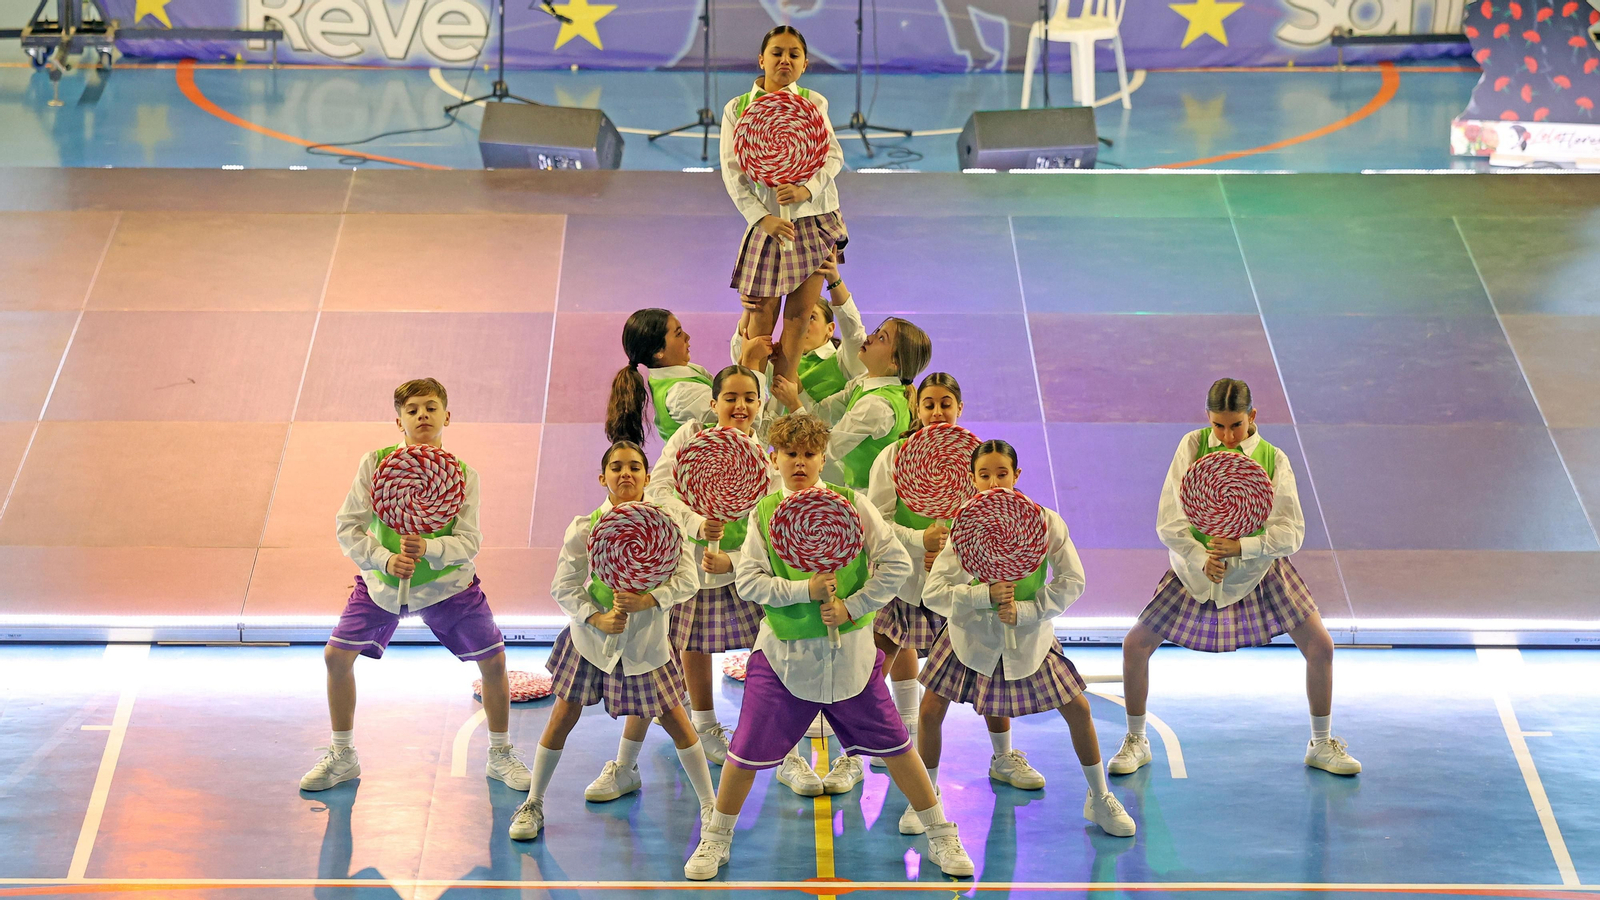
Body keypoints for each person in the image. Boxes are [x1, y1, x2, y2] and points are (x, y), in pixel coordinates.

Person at [684, 413, 974, 881]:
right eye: (790, 454)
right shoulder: (764, 515)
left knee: (899, 747)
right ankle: (715, 840)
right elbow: (750, 580)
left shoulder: (854, 506)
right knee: (743, 752)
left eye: (808, 454)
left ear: (823, 458)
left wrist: (853, 606)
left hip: (853, 659)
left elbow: (896, 565)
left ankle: (941, 835)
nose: (799, 463)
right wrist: (806, 592)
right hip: (781, 657)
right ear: (775, 459)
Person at [1108, 378, 1361, 779]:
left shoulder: (1273, 459)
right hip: (1196, 570)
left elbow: (1291, 532)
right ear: (1208, 419)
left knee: (1321, 646)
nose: (1226, 436)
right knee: (1135, 646)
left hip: (1257, 569)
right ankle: (1136, 739)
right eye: (1218, 426)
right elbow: (1169, 520)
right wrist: (1199, 554)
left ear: (1252, 417)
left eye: (1236, 426)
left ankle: (1321, 742)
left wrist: (1242, 547)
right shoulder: (1193, 447)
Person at [304, 378, 529, 796]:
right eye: (412, 410)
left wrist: (430, 547)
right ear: (399, 421)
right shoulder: (375, 464)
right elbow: (347, 527)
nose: (422, 415)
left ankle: (500, 754)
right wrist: (383, 558)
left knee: (495, 662)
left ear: (447, 416)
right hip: (381, 585)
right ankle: (342, 755)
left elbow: (469, 542)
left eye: (430, 407)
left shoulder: (463, 475)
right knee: (336, 657)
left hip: (448, 587)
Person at [914, 439, 1135, 838]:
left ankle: (1099, 798)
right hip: (971, 638)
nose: (994, 481)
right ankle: (926, 802)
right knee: (929, 713)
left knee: (1079, 711)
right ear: (972, 479)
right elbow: (934, 592)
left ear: (1017, 475)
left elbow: (1073, 581)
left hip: (1030, 638)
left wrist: (1029, 611)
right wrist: (982, 596)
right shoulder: (963, 526)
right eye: (985, 475)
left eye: (1002, 473)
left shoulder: (1046, 522)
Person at [508, 440, 717, 841]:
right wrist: (596, 616)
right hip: (590, 642)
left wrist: (650, 598)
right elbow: (564, 585)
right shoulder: (586, 528)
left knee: (676, 720)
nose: (626, 474)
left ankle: (711, 808)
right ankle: (533, 803)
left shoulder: (668, 528)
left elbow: (688, 581)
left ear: (647, 476)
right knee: (561, 717)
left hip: (645, 646)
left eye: (635, 467)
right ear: (602, 477)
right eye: (617, 467)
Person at [644, 365, 783, 764]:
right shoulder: (690, 438)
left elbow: (773, 525)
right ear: (713, 402)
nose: (740, 406)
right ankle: (704, 725)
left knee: (769, 641)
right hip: (693, 564)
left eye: (749, 398)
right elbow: (658, 489)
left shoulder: (767, 459)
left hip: (746, 568)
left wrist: (735, 562)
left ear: (761, 403)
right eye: (730, 398)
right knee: (693, 641)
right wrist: (697, 523)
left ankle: (765, 724)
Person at [720, 25, 845, 387]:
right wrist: (764, 219)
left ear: (805, 64)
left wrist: (807, 189)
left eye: (794, 54)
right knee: (760, 317)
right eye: (777, 53)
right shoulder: (738, 109)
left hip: (814, 219)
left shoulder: (814, 102)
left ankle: (784, 412)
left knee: (799, 319)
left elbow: (833, 156)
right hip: (770, 226)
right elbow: (733, 173)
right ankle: (750, 410)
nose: (784, 60)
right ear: (762, 59)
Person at [772, 317, 931, 490]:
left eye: (882, 338)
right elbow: (822, 413)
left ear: (895, 362)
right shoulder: (864, 383)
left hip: (873, 499)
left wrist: (794, 404)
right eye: (877, 332)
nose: (869, 337)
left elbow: (828, 448)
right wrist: (789, 370)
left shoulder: (877, 405)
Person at [611, 308, 772, 446]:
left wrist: (748, 309)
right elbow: (749, 422)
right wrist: (752, 361)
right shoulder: (680, 395)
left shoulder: (681, 370)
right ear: (659, 352)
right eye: (678, 334)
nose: (687, 337)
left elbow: (733, 389)